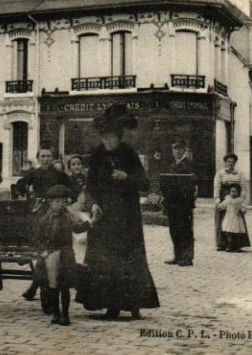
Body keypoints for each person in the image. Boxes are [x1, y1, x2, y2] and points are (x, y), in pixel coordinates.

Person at [75, 104, 159, 320]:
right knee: (104, 260)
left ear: (118, 136)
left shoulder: (129, 154)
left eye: (111, 137)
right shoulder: (97, 155)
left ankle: (133, 304)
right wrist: (93, 204)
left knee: (129, 259)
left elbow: (144, 183)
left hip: (127, 218)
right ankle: (109, 305)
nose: (107, 141)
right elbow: (90, 186)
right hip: (103, 216)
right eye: (104, 137)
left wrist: (126, 177)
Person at [14, 146, 75, 301]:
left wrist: (67, 199)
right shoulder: (35, 173)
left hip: (56, 207)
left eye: (48, 156)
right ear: (38, 158)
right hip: (40, 204)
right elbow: (20, 183)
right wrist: (23, 193)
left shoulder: (59, 175)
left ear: (53, 158)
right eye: (43, 156)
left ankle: (35, 285)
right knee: (31, 220)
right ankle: (29, 247)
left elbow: (73, 188)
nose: (46, 159)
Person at [35, 185, 89, 326]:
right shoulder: (45, 220)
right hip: (51, 254)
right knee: (52, 286)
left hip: (66, 254)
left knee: (64, 286)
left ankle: (65, 314)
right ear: (50, 203)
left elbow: (77, 229)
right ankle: (56, 313)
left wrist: (90, 222)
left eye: (63, 202)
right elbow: (39, 239)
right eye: (57, 202)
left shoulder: (68, 218)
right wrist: (43, 251)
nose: (60, 205)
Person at [162, 139, 197, 267]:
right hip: (172, 202)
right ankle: (178, 256)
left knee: (185, 229)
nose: (177, 151)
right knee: (174, 229)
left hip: (183, 202)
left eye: (179, 149)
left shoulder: (188, 165)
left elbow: (191, 183)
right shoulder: (172, 165)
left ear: (183, 150)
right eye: (175, 149)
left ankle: (187, 257)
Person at [213, 153, 248, 251]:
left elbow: (243, 187)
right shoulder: (220, 173)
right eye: (228, 161)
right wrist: (217, 199)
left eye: (233, 162)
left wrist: (242, 199)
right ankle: (222, 244)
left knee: (237, 221)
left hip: (236, 198)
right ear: (225, 162)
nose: (230, 163)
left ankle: (236, 244)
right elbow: (216, 186)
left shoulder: (239, 173)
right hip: (224, 198)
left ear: (235, 163)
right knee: (222, 220)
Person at [218, 184, 250, 252]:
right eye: (232, 191)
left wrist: (243, 210)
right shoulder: (227, 200)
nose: (233, 193)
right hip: (229, 217)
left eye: (235, 192)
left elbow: (242, 207)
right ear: (229, 192)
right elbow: (222, 206)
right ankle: (230, 246)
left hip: (236, 218)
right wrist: (219, 207)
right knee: (229, 233)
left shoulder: (239, 201)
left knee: (237, 233)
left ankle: (238, 247)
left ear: (238, 193)